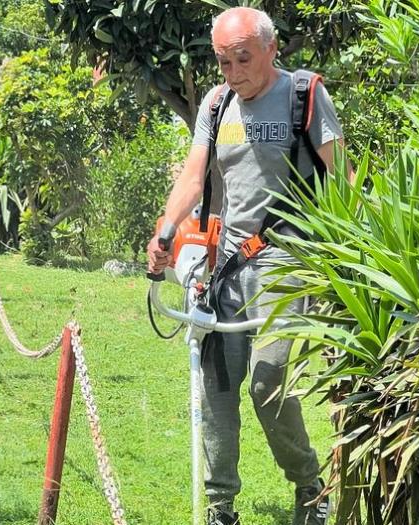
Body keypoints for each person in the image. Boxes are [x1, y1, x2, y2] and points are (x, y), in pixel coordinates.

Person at [146, 7, 353, 525]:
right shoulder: (217, 106)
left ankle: (310, 490)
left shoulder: (305, 96)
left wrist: (357, 257)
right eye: (222, 62)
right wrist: (166, 233)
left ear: (270, 48)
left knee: (268, 383)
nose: (233, 71)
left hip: (289, 260)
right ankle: (221, 508)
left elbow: (344, 177)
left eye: (242, 58)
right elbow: (194, 178)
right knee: (217, 386)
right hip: (228, 264)